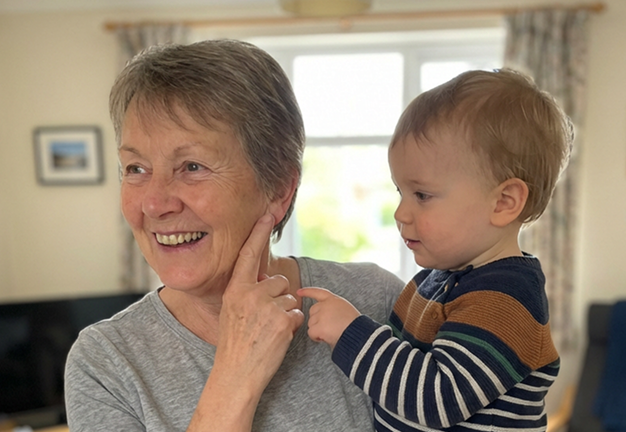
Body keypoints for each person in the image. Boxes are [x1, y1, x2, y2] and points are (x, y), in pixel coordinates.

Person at [63, 39, 404, 432]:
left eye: (191, 166)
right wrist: (235, 375)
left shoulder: (374, 301)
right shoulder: (105, 364)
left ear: (278, 188)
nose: (154, 204)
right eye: (136, 168)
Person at [299, 68, 571, 431]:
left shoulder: (506, 299)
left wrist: (351, 332)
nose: (400, 213)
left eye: (422, 195)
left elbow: (435, 399)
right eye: (401, 193)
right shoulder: (433, 281)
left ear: (504, 202)